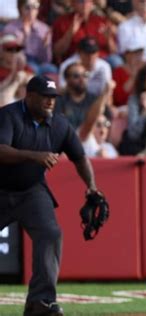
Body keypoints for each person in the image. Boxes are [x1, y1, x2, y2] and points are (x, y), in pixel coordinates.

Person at [0, 75, 102, 316]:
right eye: (45, 97)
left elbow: (79, 157)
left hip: (31, 190)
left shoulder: (60, 125)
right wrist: (34, 156)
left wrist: (91, 186)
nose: (50, 102)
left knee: (50, 233)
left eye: (53, 98)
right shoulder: (9, 116)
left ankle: (41, 301)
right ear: (30, 96)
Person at [4, 0, 58, 76]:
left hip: (40, 62)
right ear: (20, 8)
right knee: (32, 70)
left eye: (35, 7)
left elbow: (47, 60)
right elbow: (9, 57)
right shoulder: (11, 28)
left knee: (52, 69)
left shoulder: (44, 28)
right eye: (27, 7)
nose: (31, 11)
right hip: (21, 63)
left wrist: (45, 47)